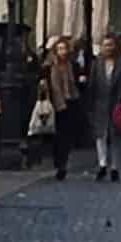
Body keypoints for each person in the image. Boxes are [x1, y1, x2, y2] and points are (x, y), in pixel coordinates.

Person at [88, 32, 121, 183]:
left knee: (115, 137)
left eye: (111, 45)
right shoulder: (97, 63)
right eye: (105, 45)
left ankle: (115, 167)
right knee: (101, 136)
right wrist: (90, 103)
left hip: (116, 104)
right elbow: (92, 84)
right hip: (100, 103)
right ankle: (102, 164)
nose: (108, 48)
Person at [41, 36, 80, 181]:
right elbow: (45, 84)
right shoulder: (48, 66)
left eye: (64, 49)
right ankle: (58, 162)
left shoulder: (72, 65)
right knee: (57, 136)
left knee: (66, 135)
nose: (63, 52)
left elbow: (75, 82)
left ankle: (63, 163)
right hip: (55, 104)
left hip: (70, 101)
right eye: (60, 49)